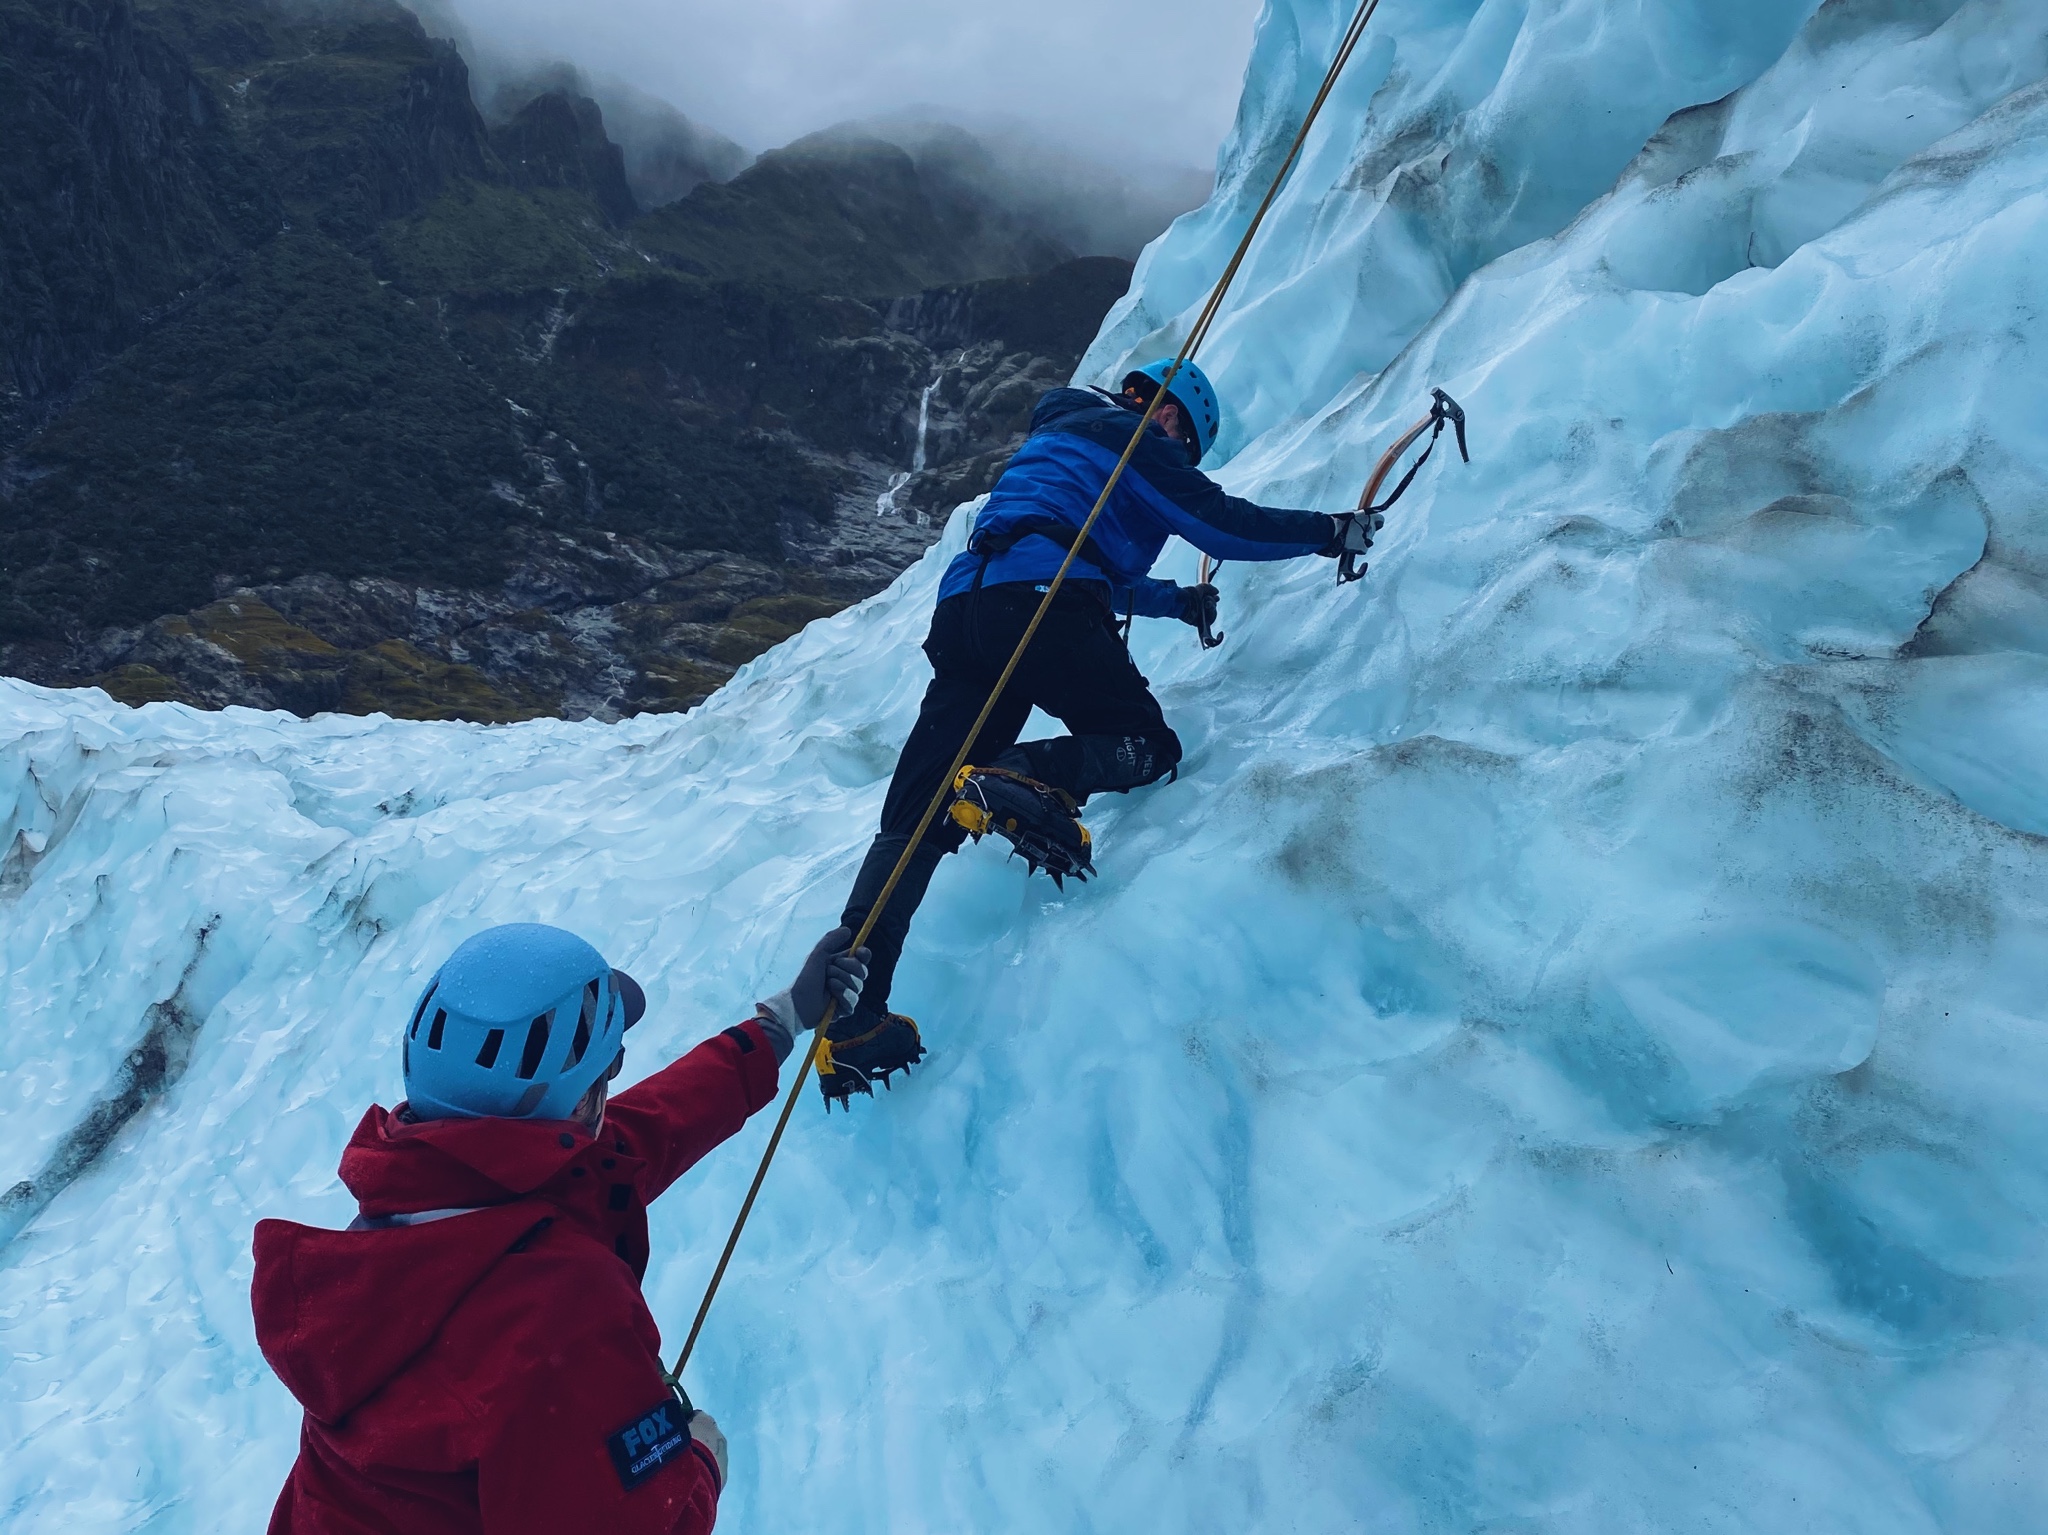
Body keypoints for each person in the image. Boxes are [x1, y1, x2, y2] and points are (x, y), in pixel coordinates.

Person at [819, 359, 1377, 1104]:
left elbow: (1075, 546)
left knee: (914, 822)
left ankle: (850, 1019)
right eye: (1186, 447)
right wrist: (1329, 532)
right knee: (1146, 743)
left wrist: (1177, 604)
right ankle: (1018, 775)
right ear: (1173, 419)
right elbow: (1221, 523)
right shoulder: (1141, 444)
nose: (1181, 457)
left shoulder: (1062, 439)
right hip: (1044, 604)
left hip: (967, 612)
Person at [252, 920, 868, 1534]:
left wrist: (781, 1022)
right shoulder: (560, 1315)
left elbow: (645, 1131)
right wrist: (701, 1463)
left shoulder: (405, 1216)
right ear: (578, 1105)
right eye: (611, 1067)